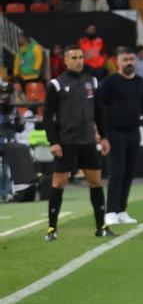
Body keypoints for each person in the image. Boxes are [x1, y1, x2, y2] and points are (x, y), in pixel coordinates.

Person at [40, 45, 114, 240]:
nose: (79, 60)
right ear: (65, 61)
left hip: (88, 141)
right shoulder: (56, 84)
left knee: (96, 182)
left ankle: (101, 227)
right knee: (58, 182)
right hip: (66, 142)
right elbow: (47, 117)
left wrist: (104, 136)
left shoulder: (92, 81)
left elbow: (99, 112)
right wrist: (53, 142)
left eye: (81, 57)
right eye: (74, 57)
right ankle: (51, 229)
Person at [99, 47, 143, 225]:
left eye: (131, 59)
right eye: (125, 60)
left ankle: (122, 210)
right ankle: (110, 212)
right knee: (117, 172)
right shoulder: (109, 82)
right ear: (118, 61)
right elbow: (98, 108)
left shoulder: (140, 82)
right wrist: (100, 134)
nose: (129, 63)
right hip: (114, 131)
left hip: (134, 131)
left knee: (129, 173)